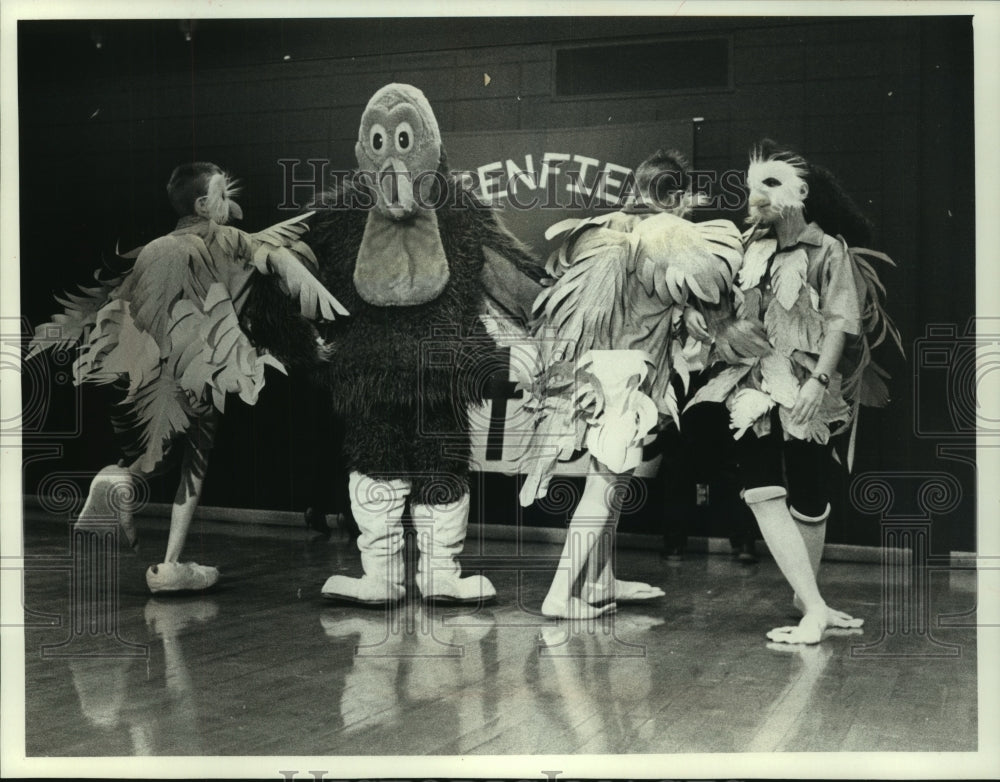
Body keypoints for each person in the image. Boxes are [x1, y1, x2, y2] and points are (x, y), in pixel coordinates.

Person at [29, 162, 344, 592]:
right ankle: (171, 564)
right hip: (202, 364)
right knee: (195, 456)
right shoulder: (229, 238)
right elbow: (273, 259)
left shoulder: (154, 248)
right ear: (202, 203)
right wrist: (311, 293)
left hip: (148, 362)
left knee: (160, 449)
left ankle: (118, 479)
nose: (230, 201)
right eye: (220, 193)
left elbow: (121, 304)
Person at [519, 149, 769, 618]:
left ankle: (598, 581)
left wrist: (683, 313)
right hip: (623, 379)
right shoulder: (665, 232)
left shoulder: (612, 226)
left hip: (605, 373)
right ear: (673, 196)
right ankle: (560, 595)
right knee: (604, 484)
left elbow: (650, 295)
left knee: (614, 482)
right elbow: (707, 281)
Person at [689, 139, 900, 643]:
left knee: (809, 493)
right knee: (762, 488)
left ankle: (808, 602)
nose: (755, 193)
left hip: (808, 384)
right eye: (751, 185)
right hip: (753, 384)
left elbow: (839, 323)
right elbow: (716, 305)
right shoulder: (744, 249)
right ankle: (816, 608)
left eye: (771, 183)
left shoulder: (830, 250)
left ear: (802, 193)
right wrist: (704, 319)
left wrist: (820, 380)